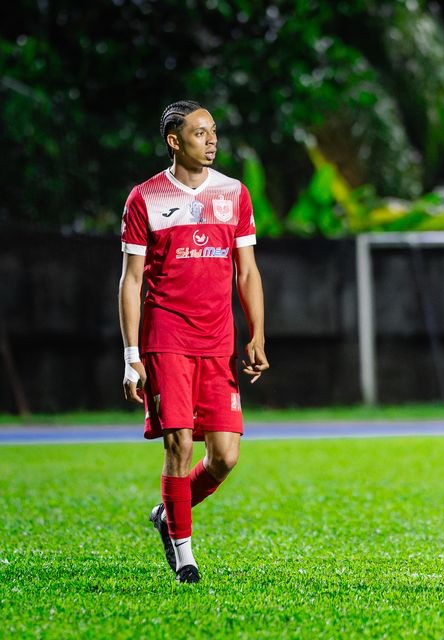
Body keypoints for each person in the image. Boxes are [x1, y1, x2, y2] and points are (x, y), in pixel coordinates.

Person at [118, 100, 269, 584]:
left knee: (224, 455)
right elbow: (130, 281)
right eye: (200, 133)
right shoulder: (145, 199)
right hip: (165, 336)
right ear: (174, 141)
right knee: (179, 442)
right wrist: (131, 357)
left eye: (214, 132)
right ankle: (184, 555)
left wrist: (256, 333)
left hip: (218, 339)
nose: (212, 141)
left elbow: (246, 271)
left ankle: (168, 513)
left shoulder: (234, 194)